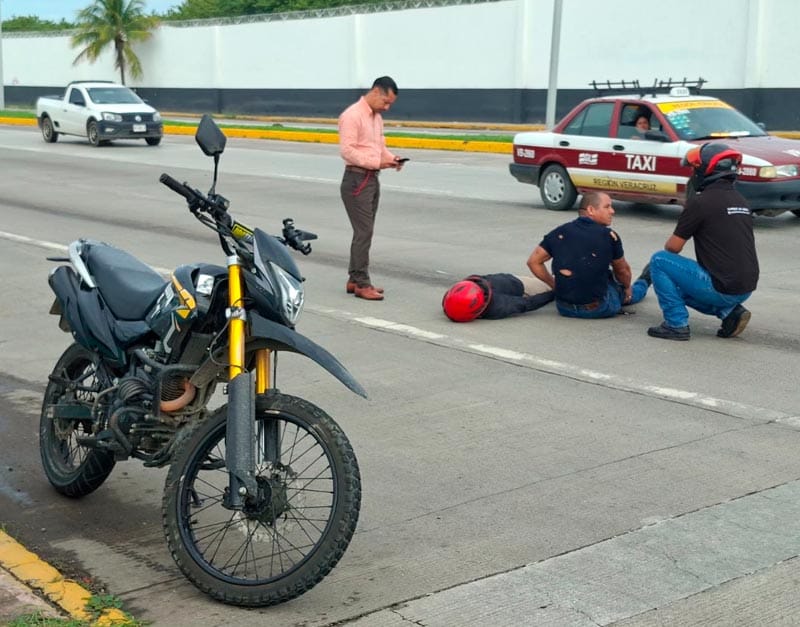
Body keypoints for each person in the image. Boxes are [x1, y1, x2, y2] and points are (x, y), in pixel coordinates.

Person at [647, 142, 759, 341]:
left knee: (659, 261)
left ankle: (676, 324)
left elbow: (672, 247)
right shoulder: (741, 201)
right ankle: (730, 313)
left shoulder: (701, 202)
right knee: (676, 282)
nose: (691, 174)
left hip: (721, 288)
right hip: (746, 287)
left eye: (693, 169)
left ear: (703, 170)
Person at [526, 191, 650, 319]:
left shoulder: (559, 232)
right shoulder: (608, 236)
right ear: (591, 210)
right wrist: (627, 289)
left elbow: (533, 262)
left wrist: (554, 285)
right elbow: (623, 271)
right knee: (626, 290)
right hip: (599, 308)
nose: (612, 211)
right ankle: (645, 280)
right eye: (607, 207)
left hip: (564, 308)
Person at [338, 76, 406, 301]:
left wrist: (392, 159)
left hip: (371, 179)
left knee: (364, 231)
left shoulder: (376, 118)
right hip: (356, 180)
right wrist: (376, 163)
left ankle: (354, 279)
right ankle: (362, 283)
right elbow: (347, 151)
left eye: (390, 105)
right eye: (385, 102)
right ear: (376, 91)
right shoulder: (352, 115)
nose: (386, 107)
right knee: (364, 232)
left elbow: (379, 147)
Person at [442, 273, 553, 322]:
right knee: (553, 283)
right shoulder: (497, 306)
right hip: (522, 287)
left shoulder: (471, 282)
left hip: (514, 280)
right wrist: (555, 293)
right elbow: (527, 303)